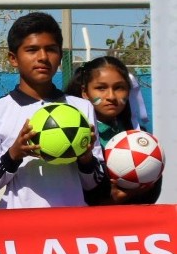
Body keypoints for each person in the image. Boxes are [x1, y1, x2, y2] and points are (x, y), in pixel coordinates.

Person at [0, 12, 104, 208]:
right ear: (13, 58)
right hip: (20, 228)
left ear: (60, 56)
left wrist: (86, 158)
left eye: (51, 49)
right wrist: (14, 153)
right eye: (32, 50)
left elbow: (95, 182)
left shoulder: (81, 107)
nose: (43, 57)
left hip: (72, 224)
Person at [65, 55, 158, 204]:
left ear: (128, 91)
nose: (111, 96)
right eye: (101, 88)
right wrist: (110, 199)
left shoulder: (139, 137)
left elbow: (152, 193)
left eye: (119, 88)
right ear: (85, 92)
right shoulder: (71, 137)